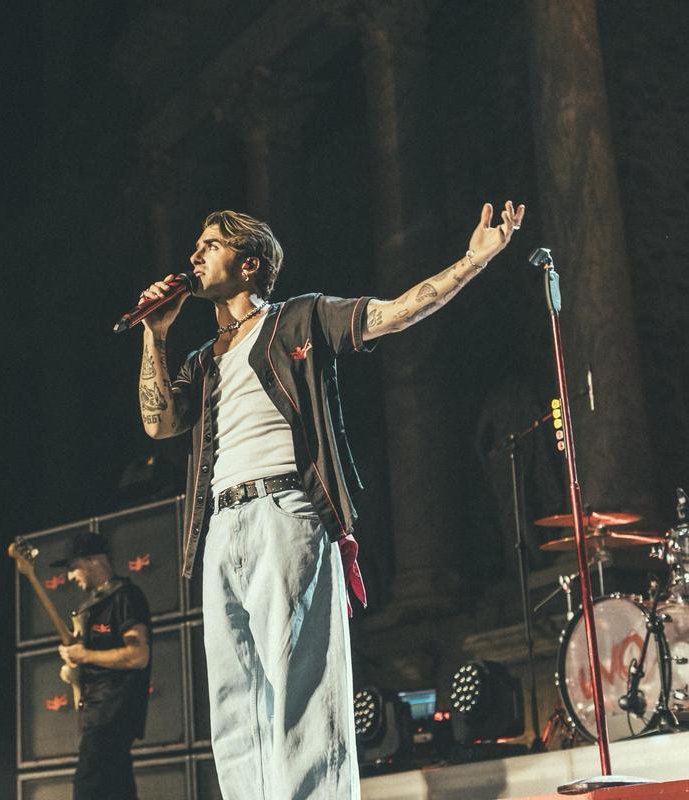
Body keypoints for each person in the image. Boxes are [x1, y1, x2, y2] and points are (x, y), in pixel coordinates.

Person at [136, 202, 525, 799]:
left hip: (283, 512)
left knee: (301, 692)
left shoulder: (298, 319)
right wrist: (155, 335)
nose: (194, 255)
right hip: (221, 526)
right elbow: (159, 424)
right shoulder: (203, 361)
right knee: (233, 703)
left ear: (248, 264)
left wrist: (475, 259)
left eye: (209, 244)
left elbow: (395, 314)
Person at [53, 531, 153, 800]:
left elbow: (138, 655)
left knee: (88, 786)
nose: (70, 577)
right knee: (117, 790)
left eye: (73, 568)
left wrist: (84, 655)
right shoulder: (93, 606)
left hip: (113, 710)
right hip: (99, 712)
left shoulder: (126, 597)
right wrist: (75, 658)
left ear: (93, 561)